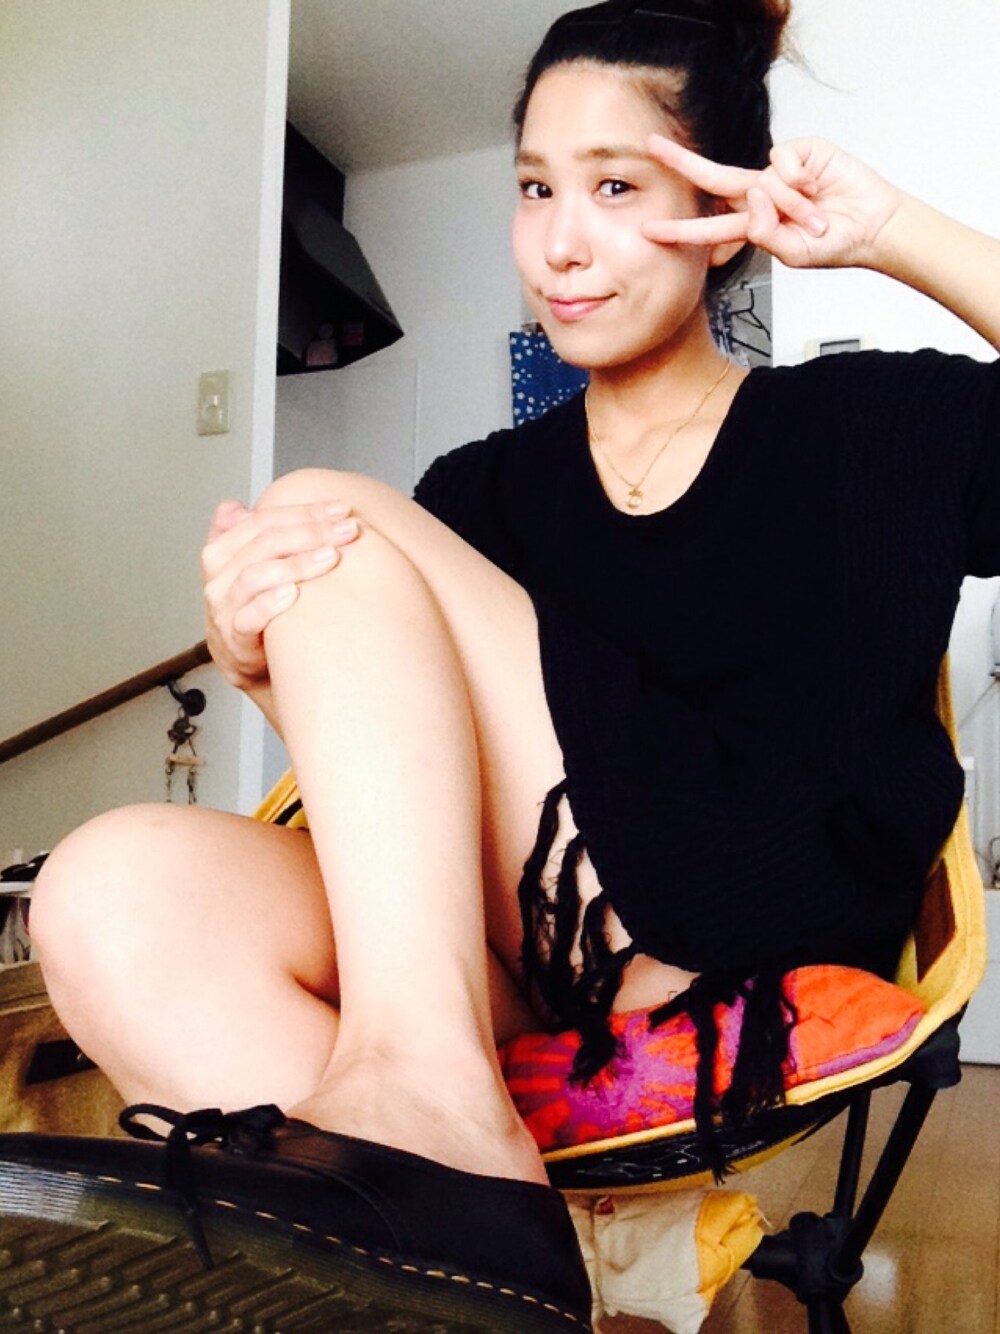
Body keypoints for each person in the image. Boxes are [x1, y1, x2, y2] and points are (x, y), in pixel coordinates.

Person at [4, 0, 999, 1327]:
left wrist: (892, 233)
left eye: (616, 186)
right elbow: (431, 817)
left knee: (322, 507)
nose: (560, 242)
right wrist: (265, 664)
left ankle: (434, 1120)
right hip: (540, 950)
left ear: (727, 210)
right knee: (105, 893)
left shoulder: (871, 421)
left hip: (749, 910)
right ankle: (453, 1276)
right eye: (535, 188)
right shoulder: (478, 494)